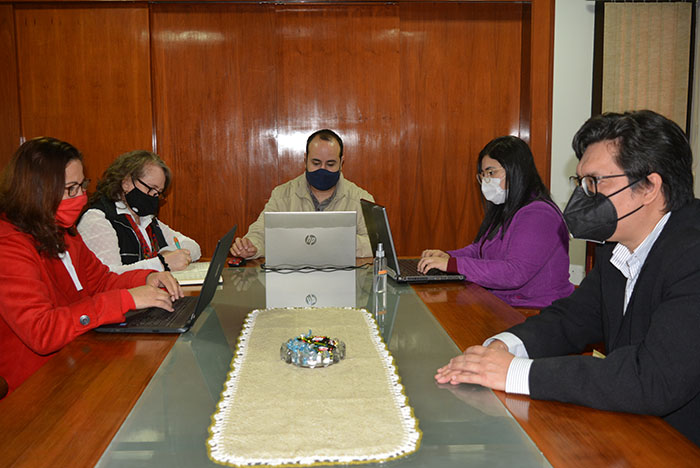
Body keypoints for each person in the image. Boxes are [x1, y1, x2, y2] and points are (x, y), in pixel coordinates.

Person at [435, 110, 700, 446]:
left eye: (595, 181)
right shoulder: (615, 246)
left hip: (682, 444)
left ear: (649, 186)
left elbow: (653, 378)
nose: (582, 197)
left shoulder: (693, 254)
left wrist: (516, 372)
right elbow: (573, 318)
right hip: (637, 429)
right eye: (580, 182)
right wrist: (504, 346)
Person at [0, 138, 183, 395]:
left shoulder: (63, 231)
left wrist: (147, 278)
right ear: (36, 190)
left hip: (79, 357)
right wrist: (124, 300)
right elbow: (42, 331)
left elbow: (100, 281)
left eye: (82, 185)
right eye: (70, 189)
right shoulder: (8, 245)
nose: (81, 197)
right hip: (36, 385)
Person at [418, 136, 574, 308]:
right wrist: (449, 256)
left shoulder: (539, 214)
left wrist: (453, 265)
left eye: (491, 173)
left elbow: (514, 273)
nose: (486, 181)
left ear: (516, 170)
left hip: (536, 310)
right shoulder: (508, 207)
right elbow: (481, 250)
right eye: (483, 175)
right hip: (503, 303)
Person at [230, 129, 375, 259]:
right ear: (305, 159)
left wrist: (335, 241)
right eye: (316, 163)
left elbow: (376, 245)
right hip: (293, 281)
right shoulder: (282, 195)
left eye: (330, 164)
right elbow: (260, 233)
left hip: (344, 282)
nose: (322, 170)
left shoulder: (361, 199)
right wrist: (251, 247)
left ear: (341, 162)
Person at [77, 150, 201, 273]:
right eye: (150, 189)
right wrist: (161, 263)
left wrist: (167, 253)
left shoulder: (147, 219)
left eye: (157, 193)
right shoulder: (97, 219)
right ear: (126, 182)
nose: (153, 196)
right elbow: (108, 276)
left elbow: (194, 247)